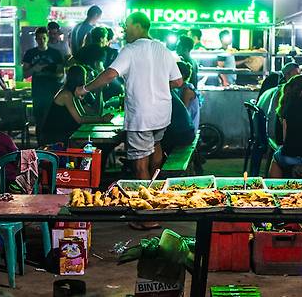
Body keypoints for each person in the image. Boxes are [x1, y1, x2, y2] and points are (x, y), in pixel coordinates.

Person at [75, 12, 183, 180]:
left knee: (140, 164)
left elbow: (110, 74)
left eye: (127, 25)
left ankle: (145, 195)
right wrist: (158, 84)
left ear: (138, 26)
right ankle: (156, 187)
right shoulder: (163, 49)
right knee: (156, 145)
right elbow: (178, 81)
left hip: (141, 116)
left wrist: (84, 89)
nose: (125, 29)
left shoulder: (130, 50)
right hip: (162, 114)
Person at [40, 65, 112, 146]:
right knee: (97, 145)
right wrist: (102, 119)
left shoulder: (75, 93)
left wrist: (99, 91)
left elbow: (94, 113)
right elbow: (79, 119)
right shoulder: (66, 94)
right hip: (54, 137)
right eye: (86, 77)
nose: (87, 80)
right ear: (81, 78)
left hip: (65, 134)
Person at [22, 27, 65, 144]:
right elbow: (25, 74)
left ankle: (52, 144)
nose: (41, 41)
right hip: (38, 91)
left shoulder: (55, 53)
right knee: (39, 119)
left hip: (53, 91)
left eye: (44, 38)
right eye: (39, 38)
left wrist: (48, 71)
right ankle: (40, 144)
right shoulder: (30, 53)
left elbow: (61, 73)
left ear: (47, 38)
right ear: (36, 39)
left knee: (53, 118)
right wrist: (34, 69)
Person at [257, 62, 301, 141]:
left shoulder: (273, 87)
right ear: (287, 75)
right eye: (297, 74)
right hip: (271, 133)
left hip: (261, 127)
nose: (298, 77)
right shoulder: (281, 91)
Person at [161, 90, 195, 155]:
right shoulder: (171, 92)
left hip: (183, 134)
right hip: (188, 132)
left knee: (155, 142)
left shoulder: (163, 94)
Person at [174, 61, 201, 131]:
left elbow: (182, 113)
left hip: (187, 130)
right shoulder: (181, 89)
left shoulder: (187, 91)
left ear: (181, 75)